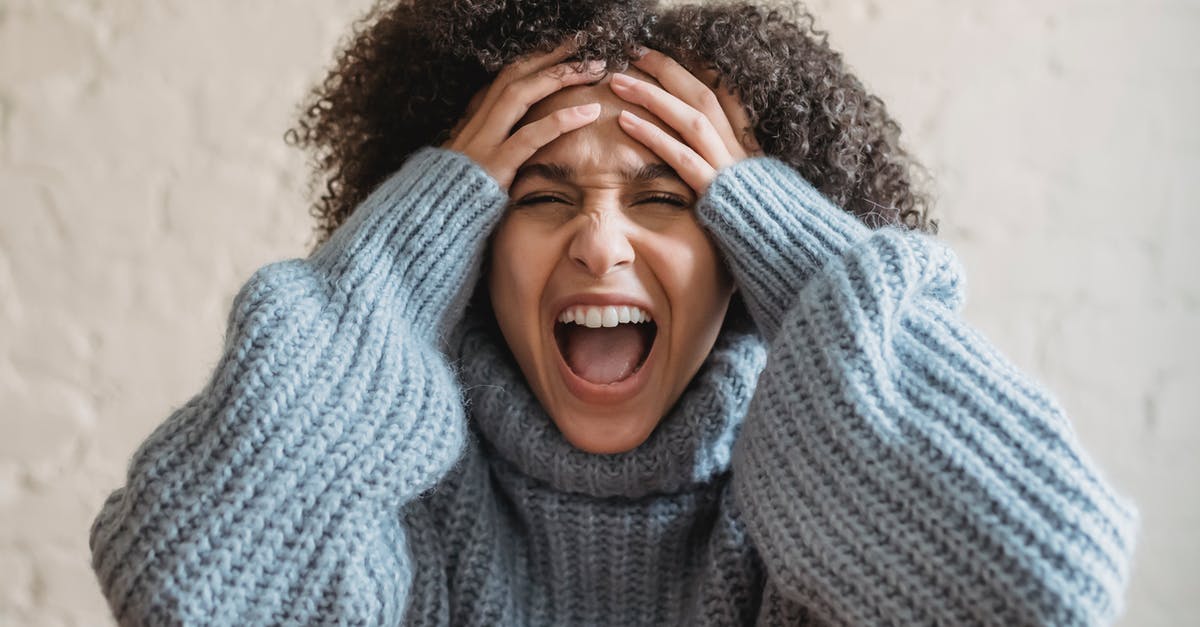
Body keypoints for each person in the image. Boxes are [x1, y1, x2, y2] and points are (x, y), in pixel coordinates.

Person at [88, 1, 1138, 625]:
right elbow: (184, 587)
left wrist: (803, 254)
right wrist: (404, 254)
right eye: (538, 197)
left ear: (744, 251)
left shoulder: (817, 515)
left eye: (669, 199)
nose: (599, 242)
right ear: (469, 249)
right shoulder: (393, 512)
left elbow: (1046, 583)